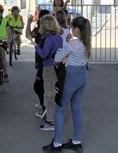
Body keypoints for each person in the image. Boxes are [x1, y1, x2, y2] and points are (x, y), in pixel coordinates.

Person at [43, 16, 91, 151]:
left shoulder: (73, 43)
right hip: (82, 77)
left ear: (77, 29)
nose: (70, 29)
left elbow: (57, 58)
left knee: (59, 108)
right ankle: (76, 141)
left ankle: (57, 144)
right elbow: (80, 59)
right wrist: (68, 58)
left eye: (72, 27)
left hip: (71, 77)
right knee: (76, 109)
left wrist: (63, 55)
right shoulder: (86, 43)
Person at [33, 15, 63, 131]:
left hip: (49, 68)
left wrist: (36, 46)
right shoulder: (58, 37)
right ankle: (51, 116)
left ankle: (50, 122)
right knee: (51, 92)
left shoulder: (48, 39)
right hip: (57, 67)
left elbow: (44, 54)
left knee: (49, 94)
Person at [26, 9, 50, 119]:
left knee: (39, 86)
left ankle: (46, 110)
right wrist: (28, 23)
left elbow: (45, 54)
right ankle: (44, 106)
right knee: (41, 86)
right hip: (41, 62)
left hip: (45, 63)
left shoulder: (48, 33)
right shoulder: (40, 31)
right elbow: (28, 35)